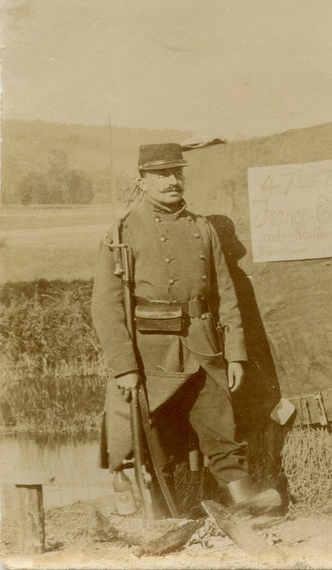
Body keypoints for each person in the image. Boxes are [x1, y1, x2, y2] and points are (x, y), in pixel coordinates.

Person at [91, 143, 283, 516]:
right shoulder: (121, 233)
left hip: (203, 348)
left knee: (221, 428)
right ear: (142, 181)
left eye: (177, 172)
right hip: (151, 355)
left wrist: (236, 353)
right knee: (156, 439)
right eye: (161, 174)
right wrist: (125, 367)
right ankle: (162, 515)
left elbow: (225, 294)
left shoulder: (202, 228)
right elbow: (105, 306)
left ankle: (248, 508)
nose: (171, 181)